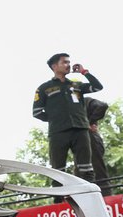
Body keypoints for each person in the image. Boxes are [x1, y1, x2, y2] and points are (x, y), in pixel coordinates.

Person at [32, 53, 103, 181]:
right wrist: (56, 119)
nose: (68, 65)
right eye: (64, 62)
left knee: (86, 170)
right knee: (58, 173)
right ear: (54, 66)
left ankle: (88, 199)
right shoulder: (44, 88)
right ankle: (59, 200)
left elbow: (98, 86)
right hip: (58, 133)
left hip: (80, 130)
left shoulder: (77, 86)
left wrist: (84, 72)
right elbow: (36, 112)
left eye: (69, 62)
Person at [86, 98, 110, 188]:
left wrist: (88, 122)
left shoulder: (85, 101)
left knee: (97, 168)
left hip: (90, 136)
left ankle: (106, 195)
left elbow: (102, 105)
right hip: (79, 139)